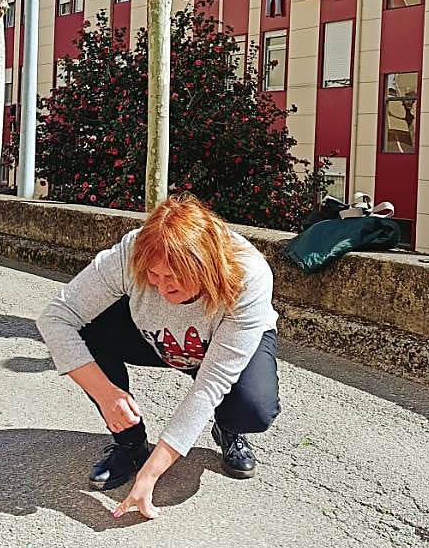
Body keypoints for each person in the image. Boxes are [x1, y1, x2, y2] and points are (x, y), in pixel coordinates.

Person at [37, 194, 281, 519]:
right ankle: (130, 443)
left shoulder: (249, 275)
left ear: (205, 265)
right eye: (154, 276)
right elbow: (55, 317)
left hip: (219, 344)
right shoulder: (131, 252)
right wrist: (106, 393)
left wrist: (151, 475)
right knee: (84, 329)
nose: (162, 289)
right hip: (154, 337)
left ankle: (228, 428)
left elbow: (210, 385)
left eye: (174, 278)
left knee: (254, 409)